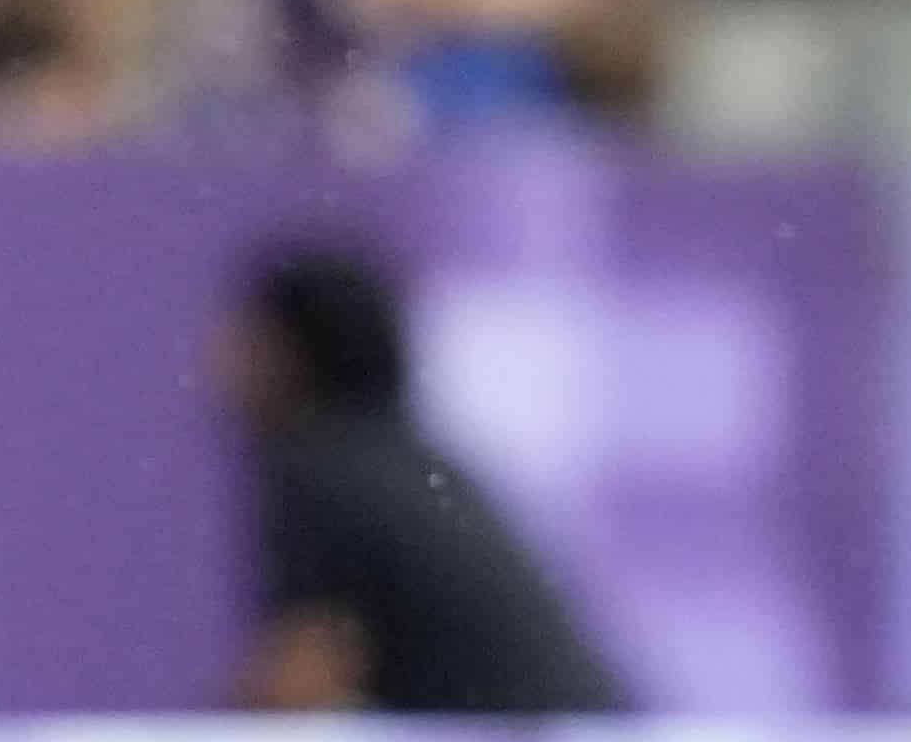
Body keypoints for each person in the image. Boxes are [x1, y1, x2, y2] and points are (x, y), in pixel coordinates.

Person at [226, 249, 626, 717]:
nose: (222, 358)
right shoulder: (404, 460)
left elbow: (299, 681)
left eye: (246, 337)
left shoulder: (328, 470)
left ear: (289, 354)